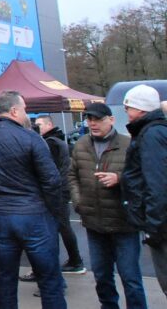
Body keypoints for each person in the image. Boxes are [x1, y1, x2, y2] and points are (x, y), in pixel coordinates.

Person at [0, 90, 65, 309]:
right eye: (24, 109)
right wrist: (52, 212)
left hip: (0, 218)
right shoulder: (31, 138)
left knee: (4, 282)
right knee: (50, 281)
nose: (26, 114)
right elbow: (52, 181)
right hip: (34, 216)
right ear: (13, 111)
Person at [69, 101, 148, 309]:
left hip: (124, 223)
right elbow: (72, 176)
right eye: (89, 119)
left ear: (111, 120)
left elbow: (142, 178)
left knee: (130, 277)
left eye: (97, 119)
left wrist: (119, 179)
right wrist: (78, 202)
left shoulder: (128, 144)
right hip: (94, 223)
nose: (92, 123)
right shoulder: (81, 144)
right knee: (102, 275)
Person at [120, 84, 167, 298]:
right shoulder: (154, 132)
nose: (126, 112)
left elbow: (157, 183)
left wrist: (153, 227)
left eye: (128, 107)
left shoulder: (151, 135)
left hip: (161, 226)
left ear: (141, 109)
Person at [32, 114, 86, 274]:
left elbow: (48, 168)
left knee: (60, 227)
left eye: (39, 125)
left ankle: (74, 261)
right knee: (63, 226)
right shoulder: (57, 140)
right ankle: (74, 260)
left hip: (57, 190)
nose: (37, 128)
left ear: (49, 124)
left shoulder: (50, 143)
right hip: (61, 188)